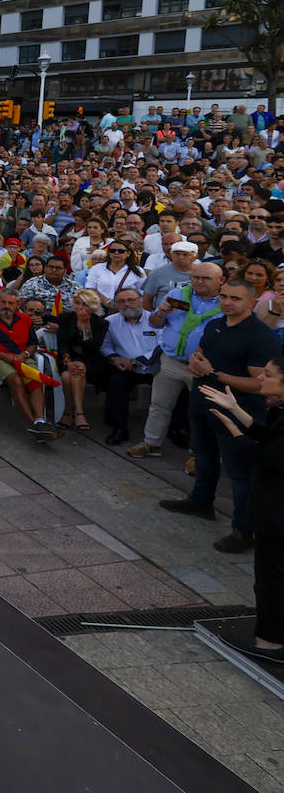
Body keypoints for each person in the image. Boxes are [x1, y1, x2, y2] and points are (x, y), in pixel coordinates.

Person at [163, 279, 279, 554]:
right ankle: (201, 501)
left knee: (241, 472)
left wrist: (214, 374)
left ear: (252, 302)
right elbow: (201, 354)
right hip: (202, 402)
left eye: (235, 298)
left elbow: (260, 384)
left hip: (238, 411)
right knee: (203, 456)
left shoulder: (261, 336)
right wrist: (195, 364)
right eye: (224, 296)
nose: (227, 302)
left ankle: (243, 530)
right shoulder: (215, 324)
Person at [200, 358, 284, 663]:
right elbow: (268, 437)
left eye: (269, 375)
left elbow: (267, 457)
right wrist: (235, 410)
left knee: (271, 579)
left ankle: (270, 643)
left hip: (277, 515)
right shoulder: (279, 412)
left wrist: (235, 434)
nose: (261, 377)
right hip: (274, 511)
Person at [128, 263, 223, 460]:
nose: (199, 281)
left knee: (202, 412)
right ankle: (151, 443)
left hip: (203, 367)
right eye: (195, 277)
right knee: (158, 405)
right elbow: (155, 323)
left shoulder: (226, 303)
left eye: (206, 278)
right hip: (171, 361)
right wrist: (161, 313)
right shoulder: (178, 295)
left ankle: (198, 455)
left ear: (220, 281)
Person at [0, 288, 56, 441]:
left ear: (17, 304)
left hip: (22, 358)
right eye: (3, 302)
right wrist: (4, 356)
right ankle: (34, 423)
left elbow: (32, 344)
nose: (7, 306)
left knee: (36, 379)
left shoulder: (25, 319)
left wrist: (24, 355)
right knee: (16, 380)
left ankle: (40, 420)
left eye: (11, 303)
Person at [101, 287, 161, 446]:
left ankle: (177, 428)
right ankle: (119, 428)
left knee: (174, 384)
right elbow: (105, 346)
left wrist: (137, 361)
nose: (127, 304)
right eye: (121, 301)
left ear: (141, 300)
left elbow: (162, 344)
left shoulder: (155, 319)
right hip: (126, 368)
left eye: (131, 300)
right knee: (116, 382)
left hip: (154, 367)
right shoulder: (110, 322)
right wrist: (114, 359)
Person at [54, 288, 109, 432]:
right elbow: (62, 345)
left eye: (85, 304)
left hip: (90, 359)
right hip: (68, 357)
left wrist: (86, 325)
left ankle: (72, 412)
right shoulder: (66, 318)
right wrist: (69, 362)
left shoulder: (101, 323)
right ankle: (75, 412)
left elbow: (93, 347)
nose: (80, 307)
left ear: (92, 307)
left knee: (76, 374)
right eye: (78, 303)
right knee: (67, 375)